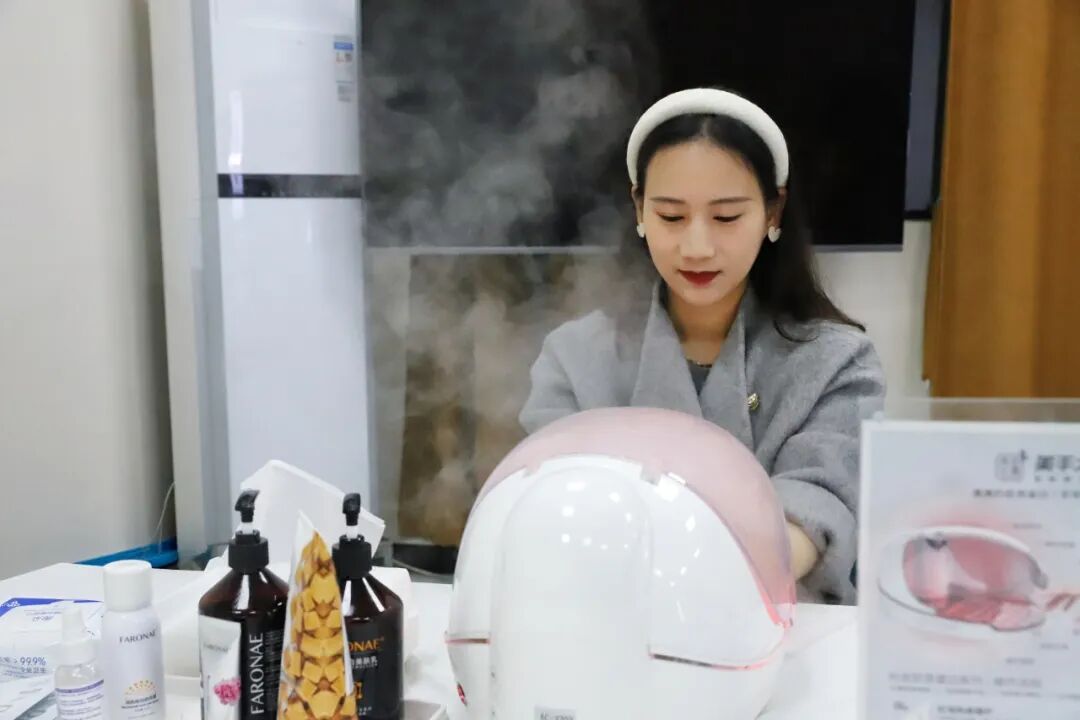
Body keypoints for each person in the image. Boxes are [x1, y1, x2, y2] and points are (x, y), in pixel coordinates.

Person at [519, 88, 886, 604]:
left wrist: (710, 584)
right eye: (671, 217)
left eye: (727, 217)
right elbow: (549, 507)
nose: (696, 247)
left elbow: (817, 508)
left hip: (777, 626)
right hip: (611, 620)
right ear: (639, 209)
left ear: (773, 211)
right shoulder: (575, 357)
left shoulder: (839, 363)